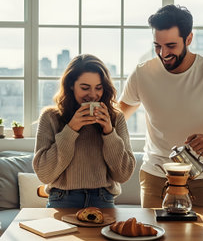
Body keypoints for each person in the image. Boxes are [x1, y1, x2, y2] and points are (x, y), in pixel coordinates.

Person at [119, 5, 203, 208]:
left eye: (171, 46)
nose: (163, 53)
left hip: (200, 177)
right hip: (155, 177)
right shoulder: (142, 74)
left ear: (189, 39)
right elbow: (118, 116)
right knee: (153, 237)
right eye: (157, 46)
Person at [33, 54, 136, 208]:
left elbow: (123, 174)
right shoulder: (50, 117)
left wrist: (109, 133)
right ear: (70, 85)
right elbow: (44, 174)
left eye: (98, 88)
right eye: (85, 87)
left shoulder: (115, 118)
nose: (93, 95)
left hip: (103, 199)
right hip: (62, 199)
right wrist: (71, 129)